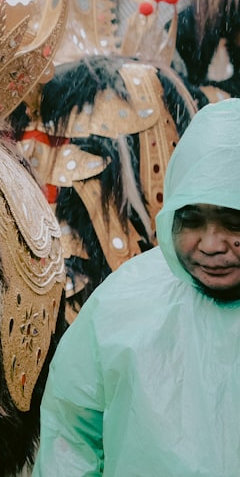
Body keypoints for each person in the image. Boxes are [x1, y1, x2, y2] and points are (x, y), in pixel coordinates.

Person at [33, 98, 240, 476]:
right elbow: (71, 438)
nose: (211, 244)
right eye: (191, 220)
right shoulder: (123, 301)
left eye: (233, 223)